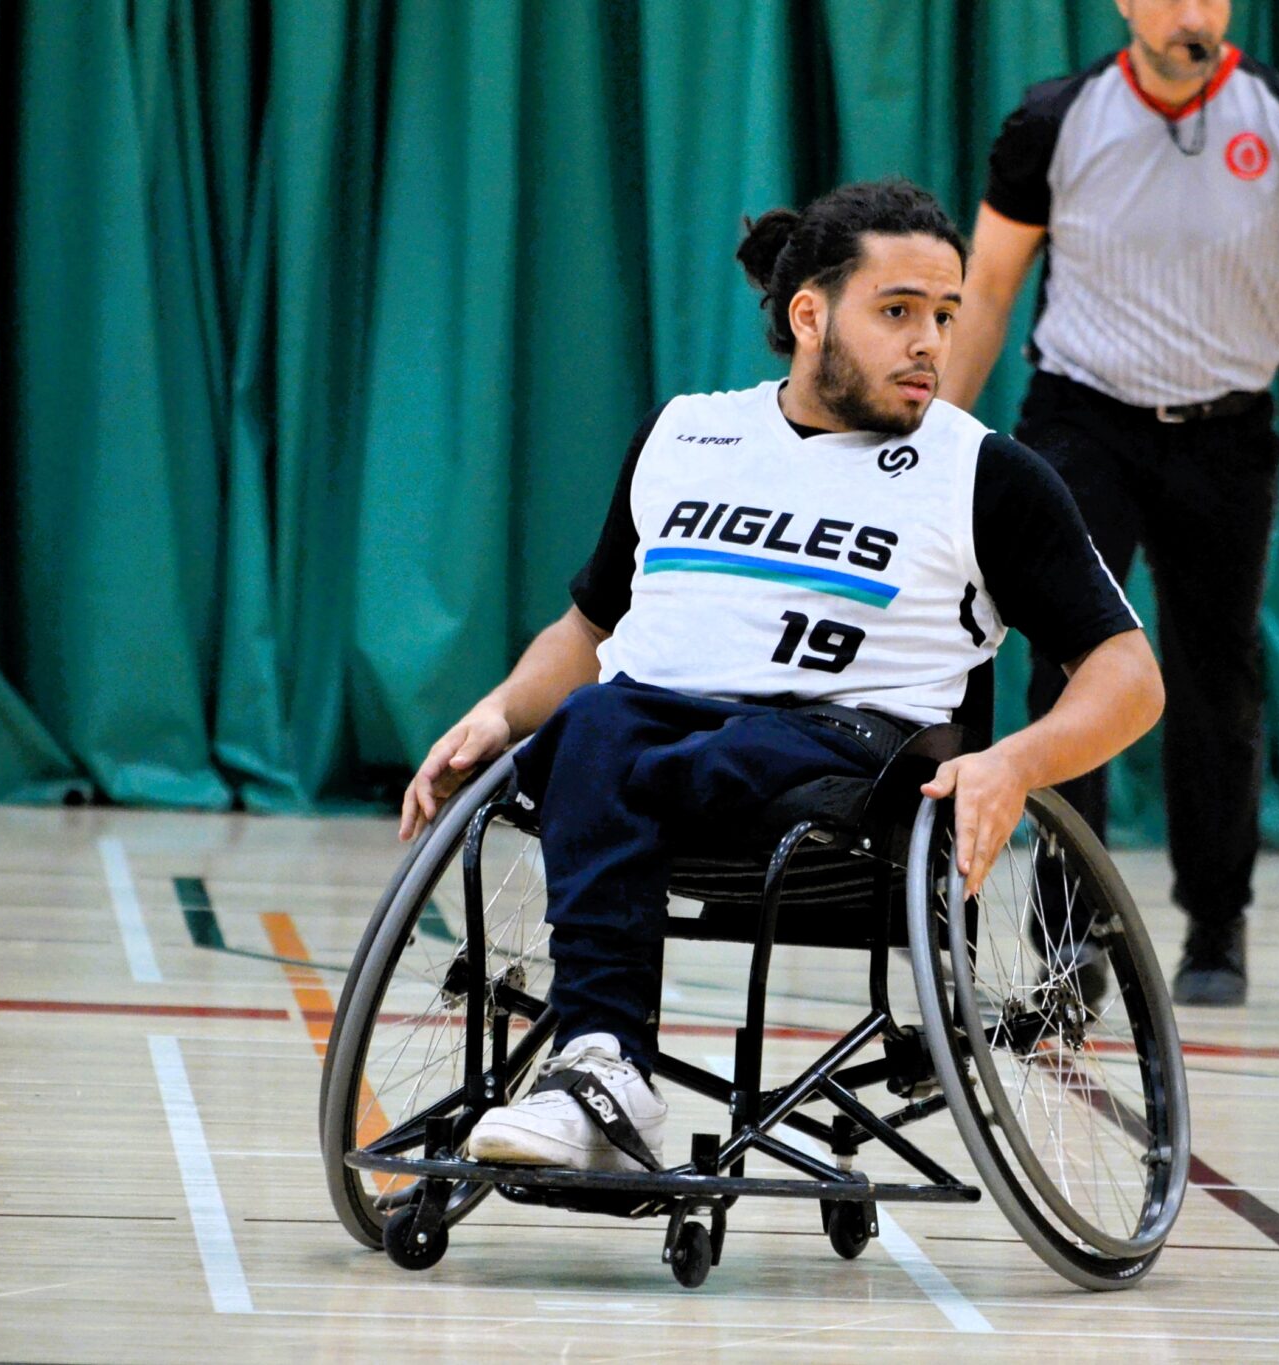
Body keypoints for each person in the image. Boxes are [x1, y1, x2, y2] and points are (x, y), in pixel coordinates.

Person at [398, 180, 1164, 1173]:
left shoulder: (986, 474)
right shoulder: (685, 435)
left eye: (943, 314)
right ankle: (602, 1068)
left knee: (639, 759)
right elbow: (587, 627)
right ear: (810, 315)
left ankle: (599, 1063)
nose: (928, 340)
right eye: (897, 313)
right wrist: (498, 712)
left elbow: (1128, 675)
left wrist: (1014, 763)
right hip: (651, 727)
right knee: (586, 726)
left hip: (851, 752)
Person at [940, 0, 1279, 1007]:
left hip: (1226, 435)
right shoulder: (1053, 120)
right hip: (1080, 421)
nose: (1193, 11)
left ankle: (1214, 922)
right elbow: (984, 294)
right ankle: (1069, 938)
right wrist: (931, 432)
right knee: (1070, 666)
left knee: (1213, 679)